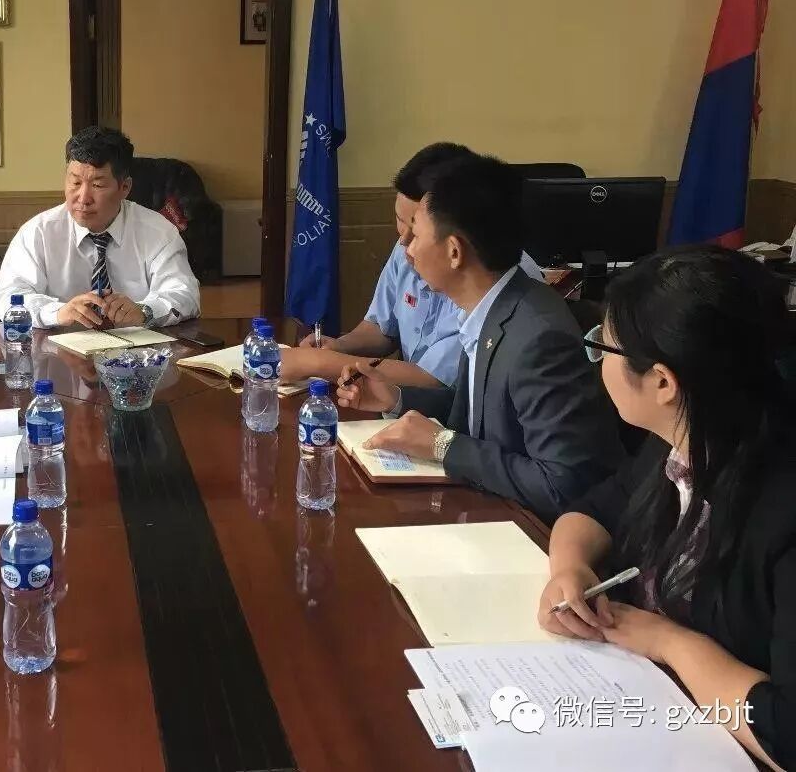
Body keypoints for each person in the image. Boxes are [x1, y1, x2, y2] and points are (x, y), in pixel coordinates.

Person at [537, 246, 796, 770]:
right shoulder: (684, 440)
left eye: (602, 347)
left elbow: (786, 734)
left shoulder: (781, 505)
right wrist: (570, 566)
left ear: (662, 381)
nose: (598, 362)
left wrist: (669, 642)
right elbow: (592, 510)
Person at [336, 154, 622, 522]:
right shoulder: (492, 305)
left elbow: (563, 486)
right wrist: (396, 398)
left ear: (454, 252)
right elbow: (477, 413)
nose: (408, 250)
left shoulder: (538, 337)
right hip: (484, 508)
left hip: (534, 532)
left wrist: (443, 446)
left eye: (417, 235)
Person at [283, 142, 542, 386]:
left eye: (416, 230)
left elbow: (435, 381)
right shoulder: (409, 247)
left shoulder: (487, 279)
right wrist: (339, 347)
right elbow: (383, 327)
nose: (406, 244)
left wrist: (318, 363)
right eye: (400, 220)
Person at [0, 126, 200, 329]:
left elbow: (185, 294)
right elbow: (9, 297)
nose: (83, 198)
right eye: (75, 183)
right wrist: (57, 313)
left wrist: (146, 311)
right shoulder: (38, 233)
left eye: (97, 185)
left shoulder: (159, 232)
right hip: (58, 347)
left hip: (140, 347)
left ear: (125, 187)